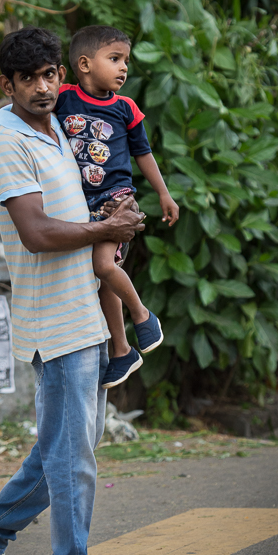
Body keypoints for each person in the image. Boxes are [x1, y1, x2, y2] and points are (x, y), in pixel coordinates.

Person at [0, 26, 145, 555]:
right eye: (29, 78)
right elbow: (36, 234)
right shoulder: (7, 143)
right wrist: (104, 229)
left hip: (85, 310)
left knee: (63, 447)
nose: (43, 87)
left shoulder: (59, 125)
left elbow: (81, 200)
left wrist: (114, 211)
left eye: (50, 75)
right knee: (72, 455)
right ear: (7, 84)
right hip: (55, 322)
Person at [55, 25, 179, 390]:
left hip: (116, 202)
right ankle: (122, 351)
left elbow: (144, 153)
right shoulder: (63, 98)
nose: (124, 68)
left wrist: (164, 194)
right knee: (102, 281)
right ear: (84, 64)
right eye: (115, 59)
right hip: (80, 204)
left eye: (126, 61)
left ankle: (142, 317)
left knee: (103, 266)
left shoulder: (126, 108)